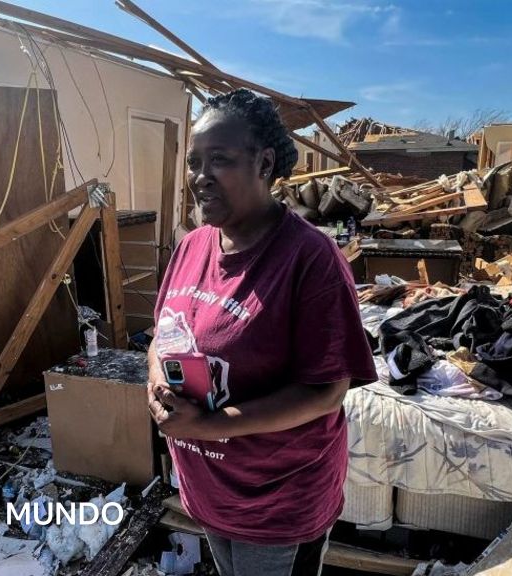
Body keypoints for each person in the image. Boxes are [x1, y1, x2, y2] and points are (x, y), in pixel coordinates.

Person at [146, 88, 377, 576]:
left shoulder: (309, 259)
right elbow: (161, 335)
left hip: (277, 502)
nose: (200, 177)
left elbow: (325, 393)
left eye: (220, 160)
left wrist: (207, 426)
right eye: (194, 163)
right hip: (211, 489)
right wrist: (157, 385)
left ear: (265, 163)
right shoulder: (191, 247)